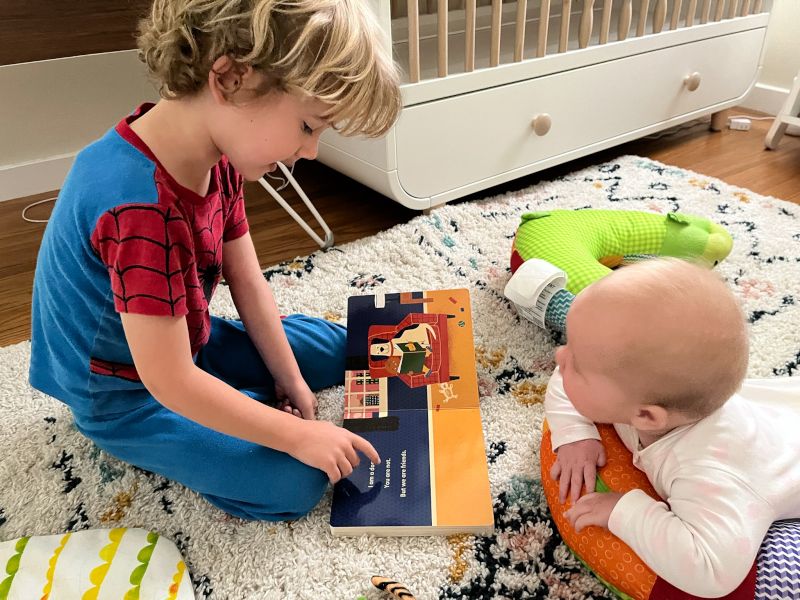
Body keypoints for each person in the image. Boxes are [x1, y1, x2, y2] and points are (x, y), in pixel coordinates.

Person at [29, 0, 402, 521]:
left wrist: (290, 382)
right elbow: (170, 382)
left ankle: (237, 401)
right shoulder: (136, 205)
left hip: (187, 342)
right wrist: (294, 433)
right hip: (126, 395)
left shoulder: (217, 155)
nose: (312, 152)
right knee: (297, 483)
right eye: (308, 126)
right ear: (229, 79)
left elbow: (247, 279)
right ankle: (225, 414)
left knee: (347, 347)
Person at [544, 258, 800, 597]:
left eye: (577, 362)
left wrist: (627, 511)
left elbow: (712, 571)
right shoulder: (646, 398)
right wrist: (575, 433)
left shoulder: (707, 474)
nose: (560, 357)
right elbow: (566, 382)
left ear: (647, 417)